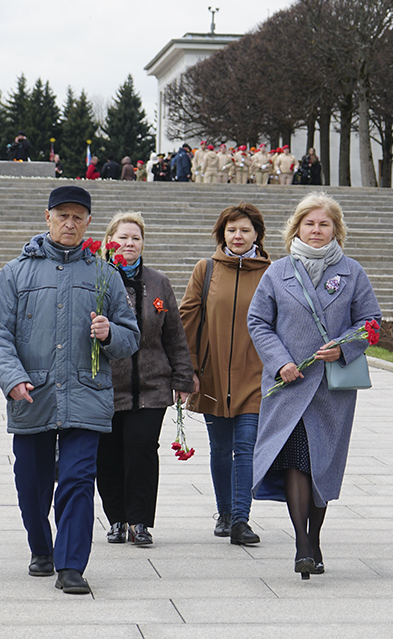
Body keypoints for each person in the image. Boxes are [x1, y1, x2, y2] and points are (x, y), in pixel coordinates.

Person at [0, 186, 140, 595]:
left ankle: (72, 565)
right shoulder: (16, 272)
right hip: (32, 392)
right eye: (62, 215)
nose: (69, 223)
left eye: (77, 216)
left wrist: (110, 334)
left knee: (77, 479)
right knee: (31, 482)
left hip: (86, 393)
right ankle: (41, 547)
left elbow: (130, 336)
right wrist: (12, 378)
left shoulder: (105, 274)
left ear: (89, 222)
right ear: (48, 218)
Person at [247, 192, 381, 579]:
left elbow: (370, 322)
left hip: (331, 389)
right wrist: (280, 361)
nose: (317, 230)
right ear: (297, 227)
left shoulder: (353, 272)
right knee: (296, 459)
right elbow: (258, 322)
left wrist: (343, 348)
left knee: (321, 462)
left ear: (336, 229)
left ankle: (316, 537)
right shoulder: (278, 272)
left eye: (324, 224)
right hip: (290, 384)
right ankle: (301, 545)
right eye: (310, 223)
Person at [97, 211, 194, 547]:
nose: (129, 244)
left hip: (152, 385)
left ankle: (140, 521)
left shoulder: (158, 283)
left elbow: (175, 335)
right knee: (107, 454)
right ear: (110, 240)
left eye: (135, 238)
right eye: (122, 237)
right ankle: (116, 519)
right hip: (106, 386)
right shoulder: (96, 278)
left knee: (141, 449)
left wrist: (183, 378)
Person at [179, 203, 272, 545]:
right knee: (220, 448)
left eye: (245, 230)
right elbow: (187, 321)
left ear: (257, 235)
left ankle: (241, 519)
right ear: (223, 234)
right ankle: (225, 513)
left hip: (255, 376)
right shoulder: (206, 271)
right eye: (232, 230)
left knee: (246, 446)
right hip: (213, 374)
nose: (238, 236)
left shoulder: (271, 273)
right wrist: (187, 369)